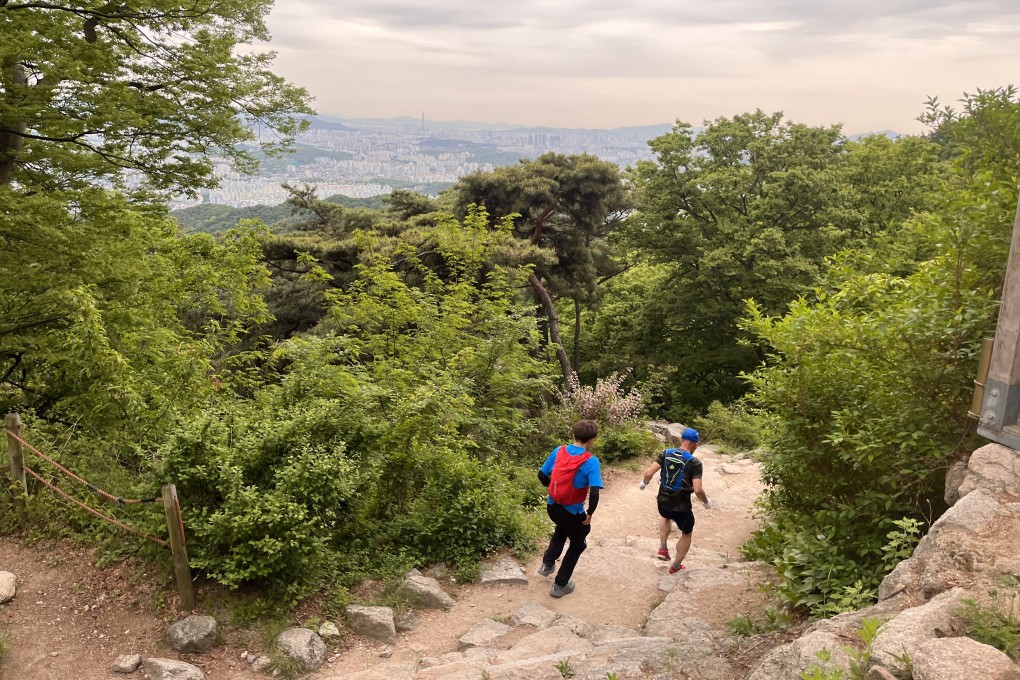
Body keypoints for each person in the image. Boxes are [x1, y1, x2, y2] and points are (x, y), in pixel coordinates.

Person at [535, 419, 604, 598]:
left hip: (552, 507)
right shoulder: (591, 461)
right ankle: (560, 585)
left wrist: (556, 490)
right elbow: (595, 492)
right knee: (578, 544)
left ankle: (547, 564)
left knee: (563, 528)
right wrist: (589, 513)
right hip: (573, 512)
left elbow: (542, 475)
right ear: (592, 440)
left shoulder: (559, 450)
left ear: (573, 435)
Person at [638, 427, 712, 574]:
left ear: (680, 440)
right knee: (686, 533)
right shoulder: (695, 463)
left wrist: (644, 483)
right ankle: (676, 565)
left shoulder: (665, 453)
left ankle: (663, 547)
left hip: (663, 502)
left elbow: (648, 472)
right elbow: (698, 490)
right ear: (696, 444)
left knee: (665, 516)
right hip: (682, 508)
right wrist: (706, 502)